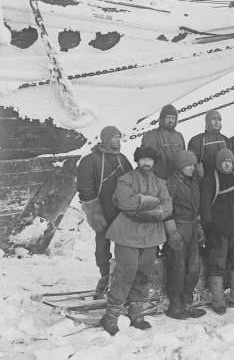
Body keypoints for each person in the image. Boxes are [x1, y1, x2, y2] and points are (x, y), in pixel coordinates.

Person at [101, 146, 172, 336]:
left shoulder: (160, 183)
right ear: (137, 161)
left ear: (154, 162)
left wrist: (146, 207)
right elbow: (125, 202)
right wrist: (151, 203)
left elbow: (167, 206)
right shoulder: (125, 180)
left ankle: (136, 314)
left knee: (144, 274)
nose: (146, 163)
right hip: (127, 233)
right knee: (126, 273)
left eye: (150, 160)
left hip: (150, 236)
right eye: (143, 160)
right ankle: (110, 316)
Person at [76, 126, 132, 299]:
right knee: (102, 248)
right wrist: (94, 213)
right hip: (102, 211)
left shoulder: (122, 159)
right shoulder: (90, 160)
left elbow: (132, 180)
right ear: (106, 139)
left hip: (121, 212)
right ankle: (105, 277)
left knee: (124, 248)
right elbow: (85, 188)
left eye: (119, 137)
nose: (117, 140)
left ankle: (121, 281)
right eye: (114, 137)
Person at [200, 148, 234, 314]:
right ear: (218, 163)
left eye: (230, 161)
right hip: (218, 229)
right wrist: (208, 227)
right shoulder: (210, 180)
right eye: (224, 161)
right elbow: (205, 205)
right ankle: (218, 300)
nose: (227, 164)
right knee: (217, 264)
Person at [164, 150, 207, 319]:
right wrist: (171, 232)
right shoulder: (171, 184)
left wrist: (199, 227)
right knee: (178, 267)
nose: (192, 168)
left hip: (192, 227)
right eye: (189, 165)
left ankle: (187, 303)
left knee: (193, 268)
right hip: (178, 227)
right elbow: (166, 210)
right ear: (180, 166)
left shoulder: (194, 183)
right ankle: (174, 306)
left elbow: (196, 210)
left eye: (193, 165)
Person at [141, 104, 186, 180]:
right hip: (159, 181)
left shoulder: (179, 136)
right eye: (168, 117)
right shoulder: (151, 136)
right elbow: (146, 161)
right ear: (162, 119)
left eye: (173, 118)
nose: (171, 120)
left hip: (177, 181)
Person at [187, 110, 228, 179]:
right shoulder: (197, 140)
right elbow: (191, 164)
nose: (216, 122)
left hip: (223, 180)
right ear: (207, 121)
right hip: (206, 181)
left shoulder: (225, 140)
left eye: (219, 119)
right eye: (213, 119)